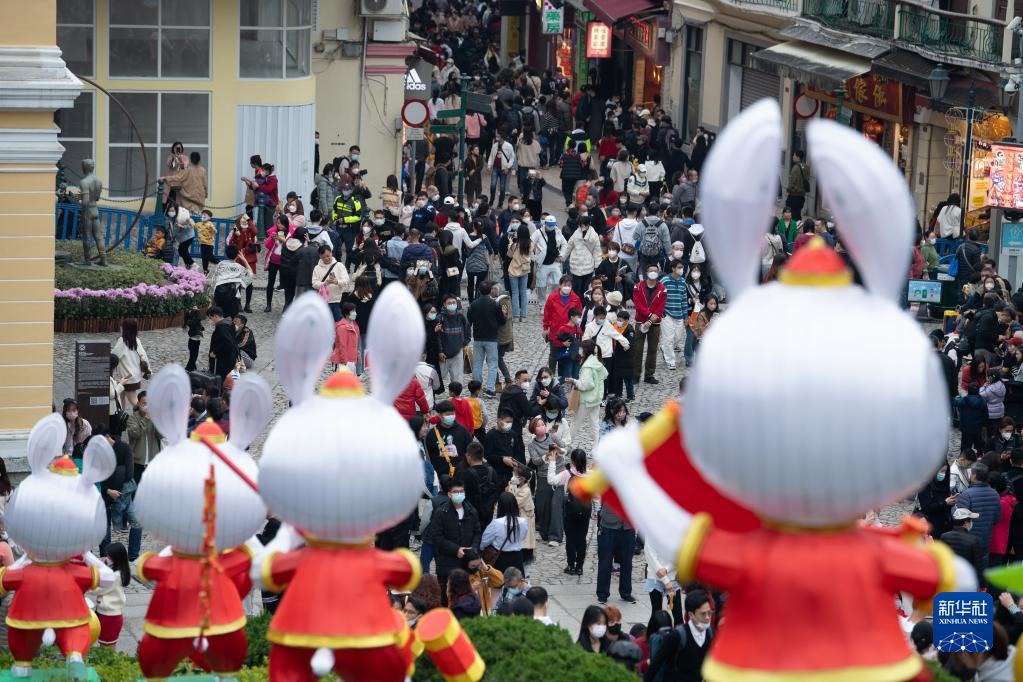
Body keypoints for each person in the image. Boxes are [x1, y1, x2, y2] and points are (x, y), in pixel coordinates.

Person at [426, 476, 482, 603]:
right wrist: (456, 549)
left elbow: (477, 532)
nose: (459, 494)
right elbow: (436, 537)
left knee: (467, 599)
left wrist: (473, 549)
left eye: (461, 491)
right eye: (456, 492)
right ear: (449, 494)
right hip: (447, 564)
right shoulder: (441, 512)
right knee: (447, 599)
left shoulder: (471, 511)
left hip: (467, 564)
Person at [645, 590, 715, 682]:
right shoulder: (677, 636)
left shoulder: (711, 633)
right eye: (703, 614)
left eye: (709, 613)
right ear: (691, 615)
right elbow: (656, 665)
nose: (707, 617)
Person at [955, 461, 1003, 564]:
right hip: (986, 539)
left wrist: (953, 508)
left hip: (968, 540)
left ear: (974, 475)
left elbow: (960, 519)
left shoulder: (966, 494)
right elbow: (996, 519)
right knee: (981, 567)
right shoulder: (995, 494)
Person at [566, 340, 608, 446]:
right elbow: (605, 374)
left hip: (586, 400)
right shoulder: (596, 362)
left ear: (584, 350)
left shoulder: (587, 367)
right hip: (596, 398)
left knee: (575, 423)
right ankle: (597, 446)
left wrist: (574, 381)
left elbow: (586, 385)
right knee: (595, 424)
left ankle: (566, 445)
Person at [468, 282, 506, 395]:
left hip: (478, 338)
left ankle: (477, 388)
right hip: (491, 338)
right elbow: (502, 321)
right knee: (492, 364)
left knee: (477, 364)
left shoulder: (473, 304)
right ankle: (490, 388)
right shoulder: (495, 304)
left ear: (479, 291)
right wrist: (503, 314)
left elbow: (469, 321)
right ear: (490, 291)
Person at [89, 542, 130, 648]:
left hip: (109, 617)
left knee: (106, 647)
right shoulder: (117, 571)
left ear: (117, 558)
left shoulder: (115, 576)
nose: (107, 559)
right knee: (105, 646)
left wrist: (85, 585)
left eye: (109, 557)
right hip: (105, 613)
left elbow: (98, 590)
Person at [595, 502, 637, 606]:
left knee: (627, 562)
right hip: (608, 525)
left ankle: (626, 592)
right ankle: (602, 593)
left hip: (628, 526)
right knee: (605, 562)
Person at [480, 492, 529, 575]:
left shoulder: (496, 523)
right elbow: (523, 536)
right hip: (517, 558)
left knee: (499, 580)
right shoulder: (523, 522)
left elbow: (484, 542)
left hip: (500, 559)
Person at [544, 276, 584, 371]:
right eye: (565, 285)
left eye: (569, 285)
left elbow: (579, 313)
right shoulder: (552, 297)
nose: (567, 287)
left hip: (569, 331)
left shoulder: (575, 298)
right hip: (555, 330)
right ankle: (551, 373)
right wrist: (545, 328)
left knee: (566, 356)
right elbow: (547, 313)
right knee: (553, 355)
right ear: (560, 285)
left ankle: (562, 376)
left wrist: (577, 327)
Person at [111, 318, 149, 409]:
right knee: (121, 397)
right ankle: (121, 415)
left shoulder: (122, 341)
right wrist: (148, 371)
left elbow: (114, 356)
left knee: (135, 403)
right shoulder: (136, 340)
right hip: (134, 376)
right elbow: (144, 356)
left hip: (128, 377)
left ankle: (147, 415)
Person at [126, 390, 160, 485]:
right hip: (137, 461)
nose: (146, 406)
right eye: (144, 403)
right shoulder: (132, 418)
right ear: (138, 403)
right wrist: (146, 419)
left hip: (152, 460)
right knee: (137, 488)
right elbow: (135, 433)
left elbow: (160, 436)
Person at [562, 218, 602, 298]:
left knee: (585, 288)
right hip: (576, 264)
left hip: (588, 265)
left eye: (584, 224)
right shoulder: (576, 233)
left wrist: (597, 266)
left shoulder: (594, 235)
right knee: (576, 288)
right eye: (581, 224)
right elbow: (569, 245)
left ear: (588, 224)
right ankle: (576, 303)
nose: (583, 226)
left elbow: (597, 251)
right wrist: (562, 257)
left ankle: (583, 303)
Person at [941, 507, 986, 577]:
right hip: (966, 577)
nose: (971, 523)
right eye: (971, 520)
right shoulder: (974, 540)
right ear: (966, 523)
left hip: (949, 576)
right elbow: (979, 566)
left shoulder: (944, 536)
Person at [463, 442, 499, 529]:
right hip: (488, 516)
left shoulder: (465, 474)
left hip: (471, 518)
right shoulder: (492, 471)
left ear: (469, 456)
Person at [311, 244, 351, 322]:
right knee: (325, 323)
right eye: (323, 257)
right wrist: (324, 283)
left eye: (328, 256)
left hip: (337, 300)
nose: (326, 258)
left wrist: (337, 281)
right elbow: (314, 283)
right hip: (323, 301)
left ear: (331, 253)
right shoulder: (317, 268)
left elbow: (347, 280)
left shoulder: (339, 266)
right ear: (320, 256)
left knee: (338, 323)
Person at [915, 462, 953, 539]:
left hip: (944, 524)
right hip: (930, 524)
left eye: (945, 471)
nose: (943, 474)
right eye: (941, 471)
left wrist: (951, 501)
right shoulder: (925, 485)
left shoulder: (944, 484)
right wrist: (945, 503)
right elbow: (926, 507)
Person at [206, 306, 238, 383]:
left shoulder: (222, 328)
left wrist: (215, 352)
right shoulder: (229, 323)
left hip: (223, 361)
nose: (210, 320)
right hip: (230, 358)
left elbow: (227, 343)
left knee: (219, 381)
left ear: (216, 316)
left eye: (210, 318)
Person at [506, 229, 533, 322]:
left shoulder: (515, 245)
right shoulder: (530, 244)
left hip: (514, 270)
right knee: (523, 293)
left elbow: (509, 255)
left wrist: (510, 243)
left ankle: (516, 316)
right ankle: (524, 316)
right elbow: (530, 255)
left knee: (515, 293)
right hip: (524, 270)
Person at [331, 302, 361, 373]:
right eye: (352, 311)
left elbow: (356, 343)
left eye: (355, 311)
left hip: (352, 360)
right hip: (345, 362)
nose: (355, 313)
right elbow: (342, 345)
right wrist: (344, 361)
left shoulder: (355, 326)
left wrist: (357, 354)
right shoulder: (342, 328)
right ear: (346, 314)